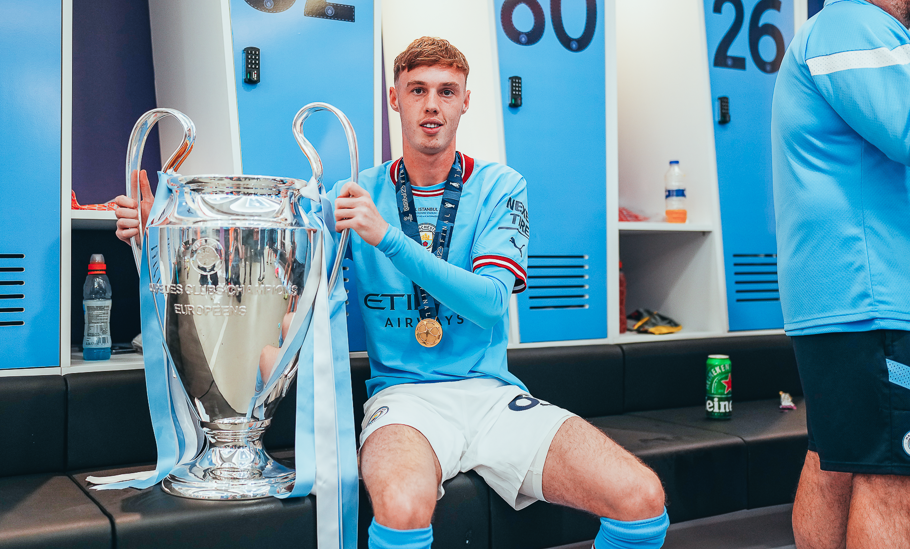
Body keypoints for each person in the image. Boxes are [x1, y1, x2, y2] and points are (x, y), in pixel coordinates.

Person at [117, 37, 668, 549]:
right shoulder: (357, 193)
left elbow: (491, 302)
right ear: (395, 100)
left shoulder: (500, 186)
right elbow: (263, 240)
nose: (433, 105)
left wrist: (388, 237)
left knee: (641, 498)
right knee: (402, 509)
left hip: (491, 395)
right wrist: (164, 225)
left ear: (465, 102)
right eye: (418, 90)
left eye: (446, 92)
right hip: (403, 398)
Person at [771, 1, 910, 547]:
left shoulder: (841, 29)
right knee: (894, 474)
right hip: (871, 290)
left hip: (847, 296)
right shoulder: (853, 24)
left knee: (838, 461)